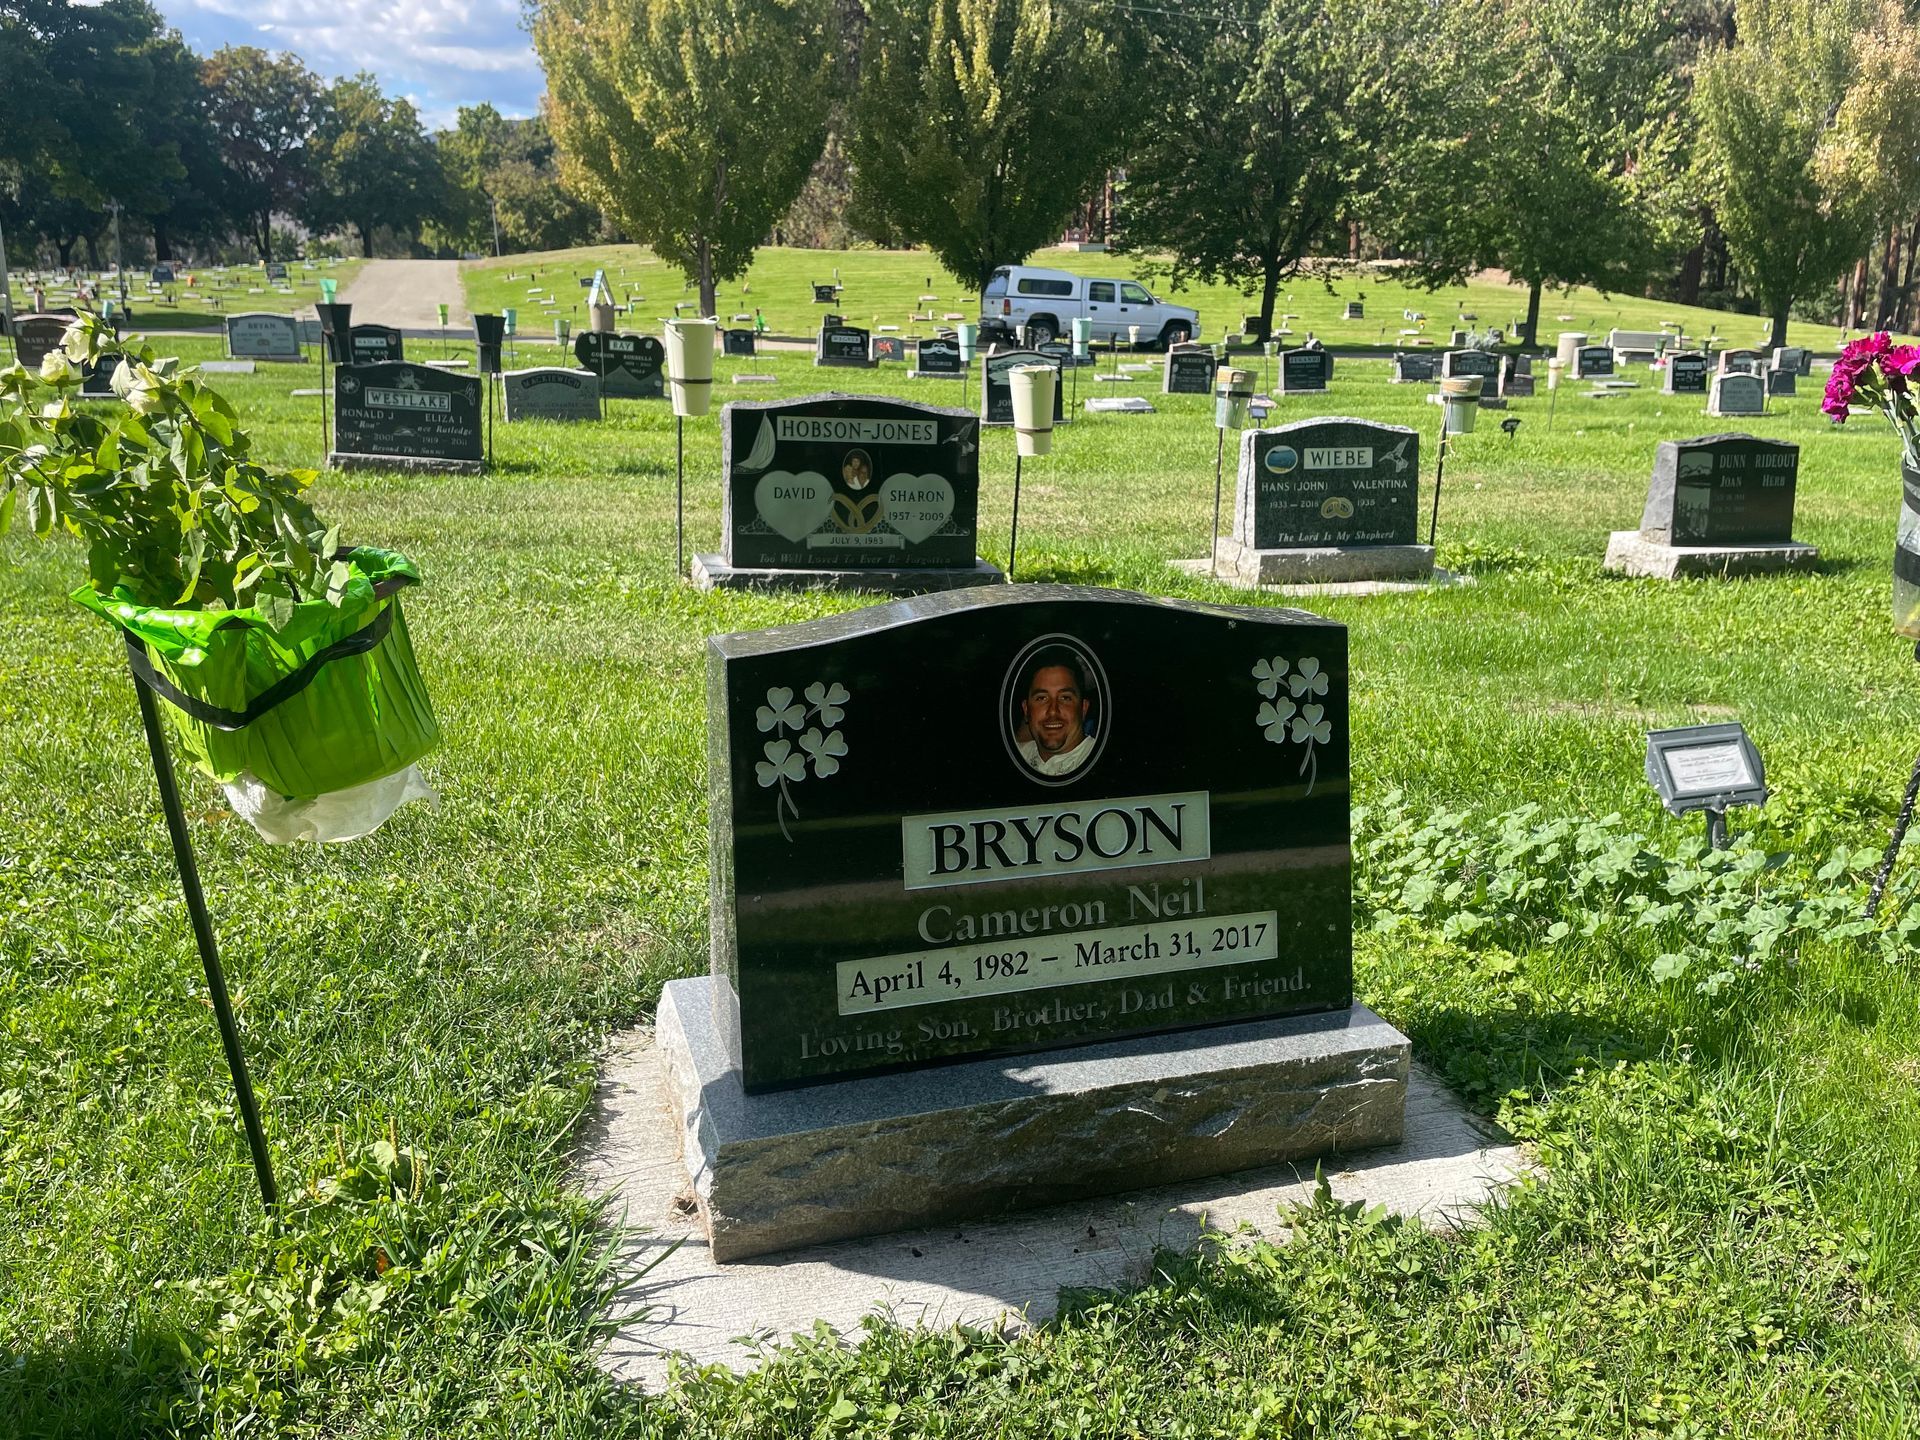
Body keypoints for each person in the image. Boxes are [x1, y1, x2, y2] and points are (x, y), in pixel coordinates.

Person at [1015, 647, 1097, 776]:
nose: (1053, 711)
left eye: (1065, 698)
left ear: (1083, 709)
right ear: (1026, 709)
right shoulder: (1017, 756)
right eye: (1042, 698)